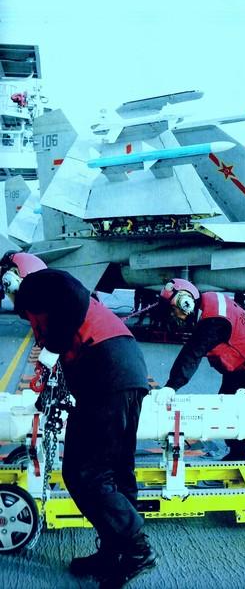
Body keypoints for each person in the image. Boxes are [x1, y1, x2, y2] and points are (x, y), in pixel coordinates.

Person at [0, 251, 156, 587]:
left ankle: (137, 549)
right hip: (124, 369)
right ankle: (116, 551)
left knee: (84, 472)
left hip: (108, 371)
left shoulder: (41, 283)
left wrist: (53, 348)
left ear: (15, 275)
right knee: (116, 469)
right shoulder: (50, 307)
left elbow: (72, 292)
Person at [156, 279, 245, 464]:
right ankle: (238, 454)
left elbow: (193, 352)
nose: (174, 314)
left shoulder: (214, 321)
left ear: (186, 302)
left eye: (173, 309)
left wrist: (171, 386)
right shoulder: (209, 301)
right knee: (227, 408)